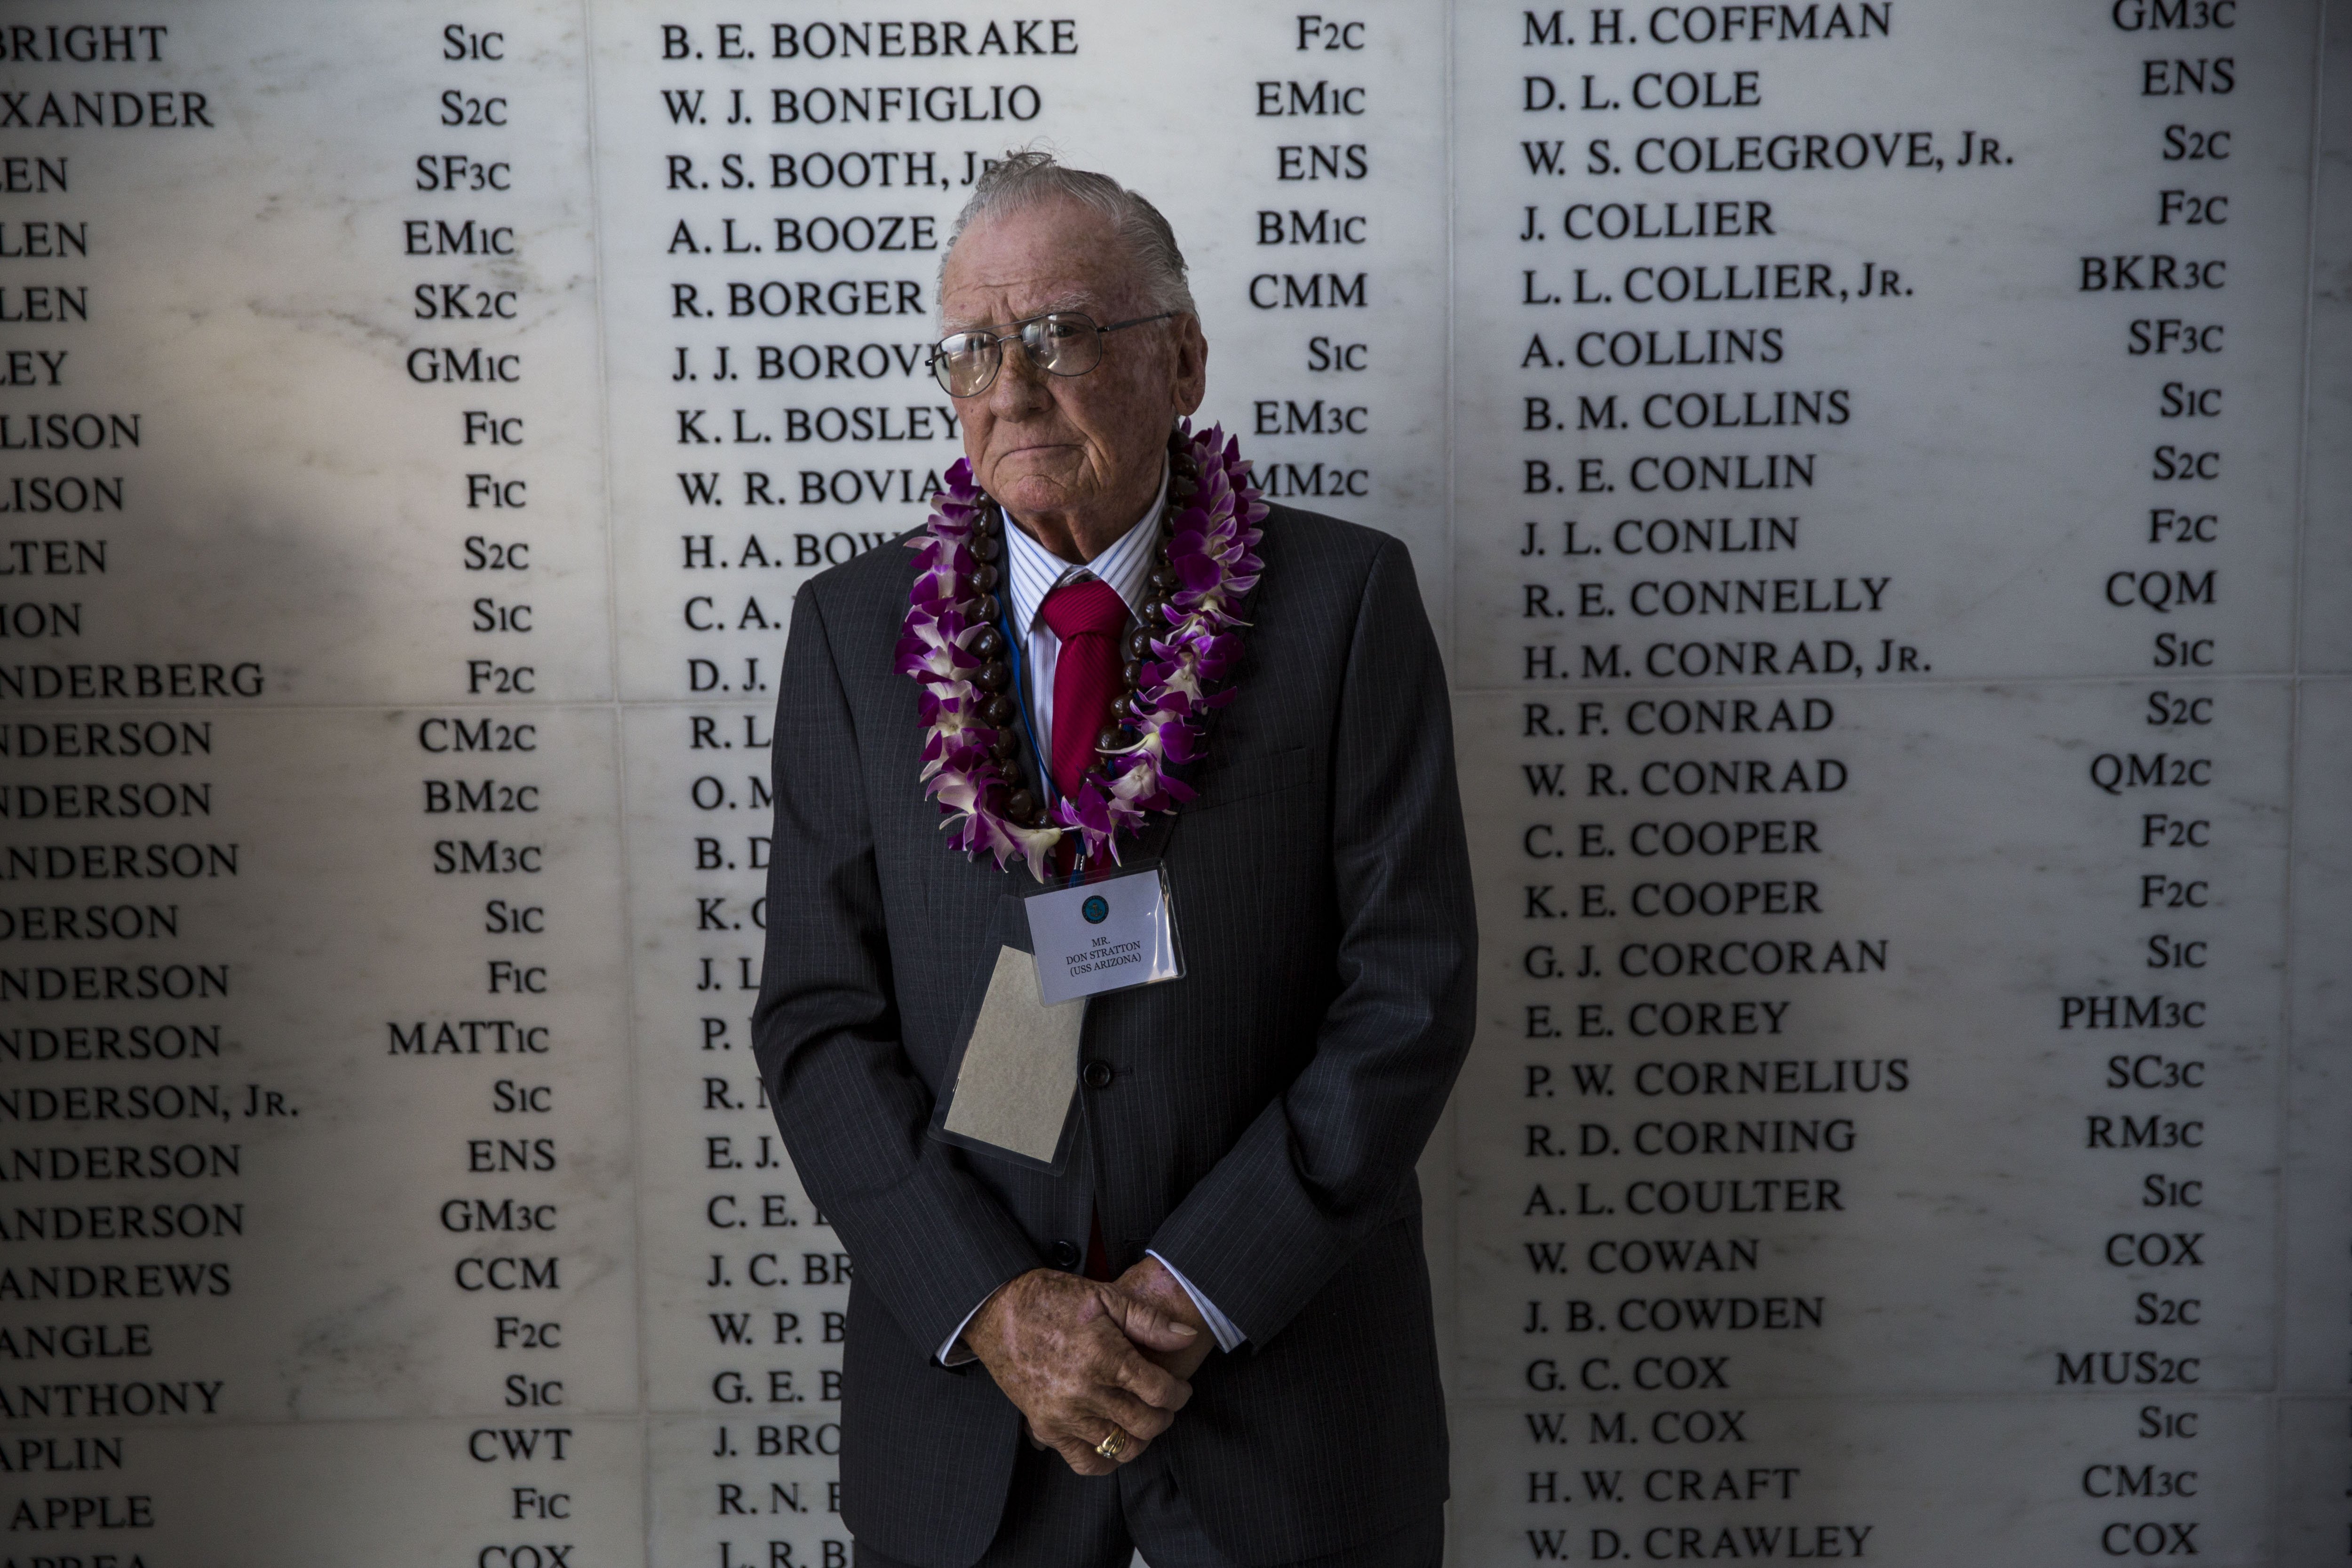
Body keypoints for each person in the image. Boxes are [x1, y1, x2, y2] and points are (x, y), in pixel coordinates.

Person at [752, 151, 1475, 1568]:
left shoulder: (1345, 606)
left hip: (1289, 1404)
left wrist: (1189, 1294)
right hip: (973, 1426)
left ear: (1186, 359)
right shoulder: (848, 636)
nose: (1012, 384)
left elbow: (1409, 991)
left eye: (1064, 333)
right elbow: (818, 1023)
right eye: (972, 346)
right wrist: (1000, 1309)